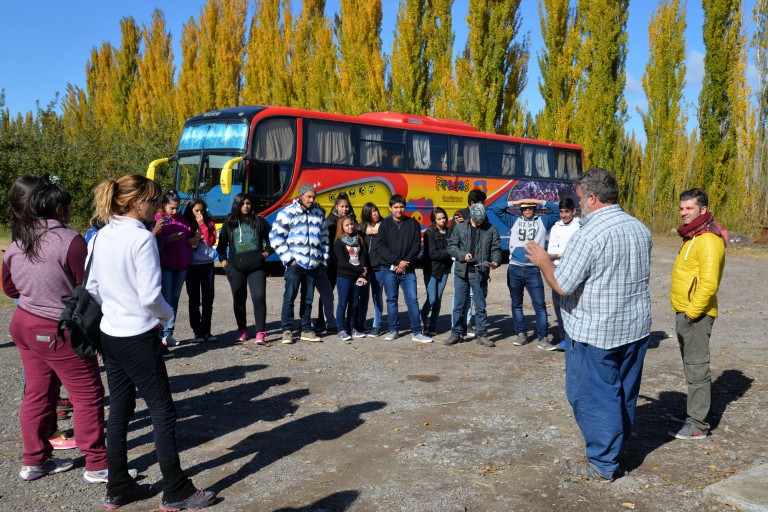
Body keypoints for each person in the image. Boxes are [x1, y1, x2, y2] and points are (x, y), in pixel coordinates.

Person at [87, 174, 215, 510]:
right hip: (138, 334)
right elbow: (150, 295)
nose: (158, 206)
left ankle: (118, 486)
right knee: (162, 411)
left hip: (111, 333)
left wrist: (115, 309)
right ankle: (176, 489)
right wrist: (166, 315)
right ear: (134, 202)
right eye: (153, 200)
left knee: (121, 411)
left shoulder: (100, 236)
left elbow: (91, 287)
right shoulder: (141, 238)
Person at [524, 167, 652, 483]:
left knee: (594, 396)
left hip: (597, 333)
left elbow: (563, 285)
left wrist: (542, 261)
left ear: (592, 197)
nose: (578, 202)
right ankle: (614, 450)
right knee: (623, 393)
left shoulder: (590, 234)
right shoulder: (640, 229)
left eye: (581, 197)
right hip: (634, 329)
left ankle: (602, 463)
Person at [3, 176, 109, 482]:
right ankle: (97, 464)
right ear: (58, 207)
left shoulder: (18, 241)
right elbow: (86, 287)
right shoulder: (69, 240)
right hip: (57, 328)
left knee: (37, 393)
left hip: (23, 323)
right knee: (88, 393)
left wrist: (34, 293)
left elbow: (9, 287)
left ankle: (35, 460)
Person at [668, 188, 726, 440]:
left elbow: (709, 283)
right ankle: (695, 412)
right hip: (686, 311)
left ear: (703, 210)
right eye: (682, 208)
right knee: (691, 365)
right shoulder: (693, 236)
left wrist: (691, 313)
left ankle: (698, 424)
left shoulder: (709, 240)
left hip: (696, 315)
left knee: (697, 367)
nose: (683, 213)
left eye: (689, 208)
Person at [490, 197, 560, 348]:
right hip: (514, 268)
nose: (527, 210)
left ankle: (543, 338)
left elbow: (557, 210)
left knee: (540, 305)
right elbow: (496, 209)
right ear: (521, 210)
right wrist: (515, 202)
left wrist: (539, 201)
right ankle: (521, 334)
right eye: (524, 208)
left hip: (533, 270)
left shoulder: (543, 221)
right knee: (516, 304)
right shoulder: (513, 220)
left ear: (534, 208)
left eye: (530, 207)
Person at [269, 183, 329, 344]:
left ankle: (306, 329)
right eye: (309, 196)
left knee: (308, 299)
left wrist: (322, 259)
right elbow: (275, 237)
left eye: (313, 197)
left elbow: (324, 238)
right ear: (300, 196)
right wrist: (289, 259)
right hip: (295, 264)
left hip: (313, 265)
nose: (311, 199)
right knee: (290, 297)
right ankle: (287, 330)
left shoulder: (318, 213)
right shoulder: (288, 213)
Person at [217, 193, 273, 344]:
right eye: (242, 204)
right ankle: (242, 329)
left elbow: (273, 238)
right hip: (236, 267)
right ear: (237, 205)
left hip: (257, 267)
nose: (245, 206)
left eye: (248, 203)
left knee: (259, 297)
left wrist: (266, 252)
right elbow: (221, 245)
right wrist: (223, 261)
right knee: (239, 299)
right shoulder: (229, 222)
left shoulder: (259, 221)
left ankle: (260, 332)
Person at [445, 203, 502, 347]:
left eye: (481, 221)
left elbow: (496, 249)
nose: (478, 223)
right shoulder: (460, 227)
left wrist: (495, 261)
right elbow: (451, 247)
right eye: (476, 221)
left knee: (480, 305)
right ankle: (456, 333)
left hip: (480, 272)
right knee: (458, 304)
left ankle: (481, 334)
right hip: (461, 271)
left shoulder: (491, 229)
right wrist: (463, 255)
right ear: (471, 217)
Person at [377, 194, 432, 343]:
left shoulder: (413, 224)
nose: (399, 210)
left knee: (412, 300)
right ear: (390, 208)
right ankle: (393, 330)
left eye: (401, 207)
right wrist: (396, 262)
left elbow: (416, 246)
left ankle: (417, 332)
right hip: (389, 269)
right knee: (392, 300)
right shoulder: (385, 225)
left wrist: (404, 263)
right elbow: (381, 247)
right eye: (395, 207)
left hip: (408, 269)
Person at [155, 189, 200, 347]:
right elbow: (155, 242)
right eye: (171, 208)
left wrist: (194, 240)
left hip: (182, 265)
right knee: (165, 299)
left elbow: (188, 241)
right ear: (164, 205)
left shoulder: (183, 220)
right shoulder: (158, 219)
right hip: (166, 265)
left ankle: (169, 333)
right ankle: (160, 333)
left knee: (174, 298)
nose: (175, 211)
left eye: (177, 207)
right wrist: (170, 239)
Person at [316, 193, 355, 334]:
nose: (344, 209)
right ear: (336, 206)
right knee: (327, 294)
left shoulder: (352, 221)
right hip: (332, 264)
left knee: (348, 295)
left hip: (348, 264)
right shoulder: (329, 222)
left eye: (346, 206)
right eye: (342, 206)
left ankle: (347, 323)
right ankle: (322, 321)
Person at [450, 189, 487, 337]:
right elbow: (452, 239)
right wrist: (462, 255)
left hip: (477, 265)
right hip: (461, 264)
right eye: (481, 203)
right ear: (472, 203)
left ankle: (468, 322)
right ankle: (456, 326)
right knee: (460, 297)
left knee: (475, 297)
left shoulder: (484, 215)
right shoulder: (459, 214)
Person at [546, 197, 581, 351]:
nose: (563, 215)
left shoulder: (580, 226)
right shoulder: (556, 228)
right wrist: (564, 253)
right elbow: (550, 252)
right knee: (559, 307)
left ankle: (577, 339)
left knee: (575, 307)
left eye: (567, 211)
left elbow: (580, 251)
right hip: (558, 271)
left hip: (575, 270)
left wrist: (560, 254)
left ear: (573, 211)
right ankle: (564, 338)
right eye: (561, 212)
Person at [183, 199, 218, 343]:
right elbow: (182, 242)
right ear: (190, 210)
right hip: (192, 265)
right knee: (194, 300)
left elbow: (211, 241)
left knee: (208, 299)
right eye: (196, 211)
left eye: (202, 210)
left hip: (207, 264)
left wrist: (203, 225)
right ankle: (197, 331)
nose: (199, 213)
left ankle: (207, 330)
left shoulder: (210, 222)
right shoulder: (186, 223)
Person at [334, 215, 369, 340]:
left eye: (352, 224)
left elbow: (363, 258)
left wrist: (362, 274)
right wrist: (360, 269)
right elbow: (342, 263)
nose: (350, 227)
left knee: (354, 304)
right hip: (344, 277)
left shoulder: (359, 239)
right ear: (342, 227)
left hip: (357, 277)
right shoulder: (339, 242)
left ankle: (352, 328)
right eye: (347, 225)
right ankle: (341, 329)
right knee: (343, 303)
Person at [420, 207, 453, 337]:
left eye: (444, 218)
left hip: (444, 269)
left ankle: (433, 324)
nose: (443, 220)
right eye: (439, 218)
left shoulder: (450, 232)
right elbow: (433, 254)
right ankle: (421, 321)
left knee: (438, 298)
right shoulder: (429, 233)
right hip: (431, 269)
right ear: (434, 220)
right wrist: (450, 252)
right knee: (432, 298)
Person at [358, 202, 384, 337]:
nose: (375, 213)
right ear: (366, 213)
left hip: (379, 268)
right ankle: (361, 323)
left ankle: (377, 325)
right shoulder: (361, 229)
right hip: (364, 269)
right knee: (363, 297)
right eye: (372, 211)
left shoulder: (384, 226)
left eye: (376, 210)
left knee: (377, 296)